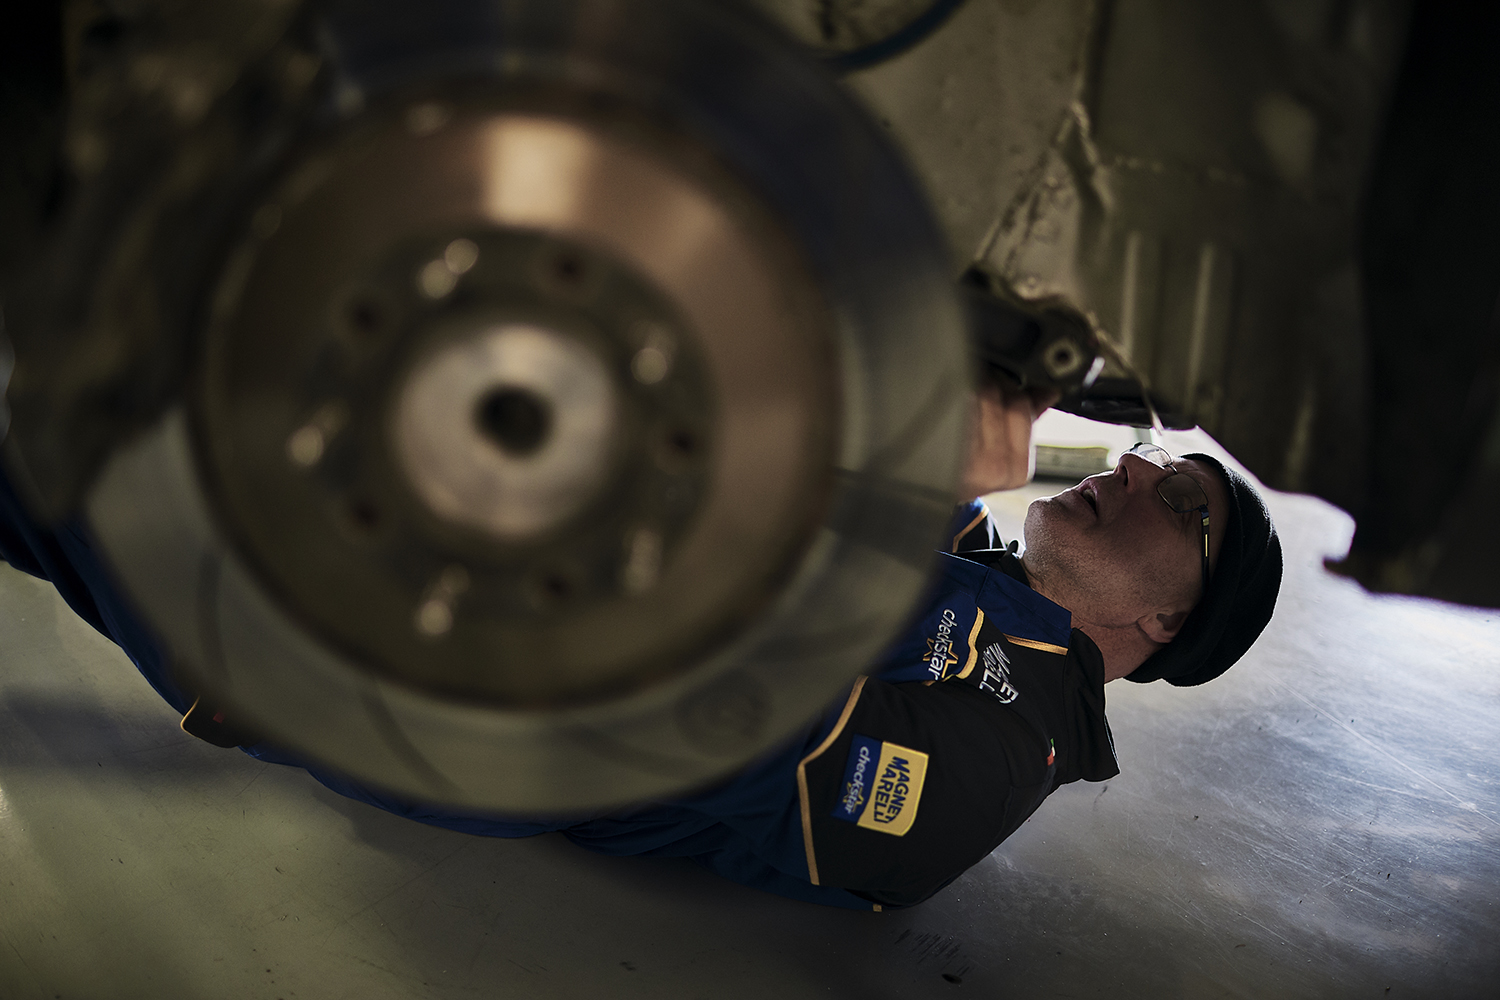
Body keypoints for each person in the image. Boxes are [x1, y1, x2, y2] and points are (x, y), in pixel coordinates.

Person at [0, 383, 1281, 910]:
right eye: (1156, 461)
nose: (1140, 472)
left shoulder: (1003, 759)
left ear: (1164, 627)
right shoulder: (970, 560)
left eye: (1184, 505)